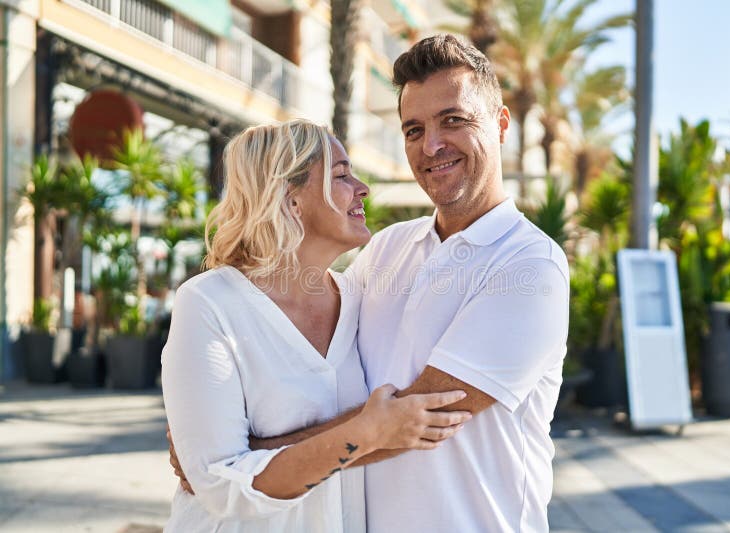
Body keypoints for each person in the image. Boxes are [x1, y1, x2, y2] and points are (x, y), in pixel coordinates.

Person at [171, 34, 569, 532]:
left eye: (454, 120)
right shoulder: (385, 250)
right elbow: (290, 333)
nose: (432, 146)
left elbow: (410, 419)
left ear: (501, 124)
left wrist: (240, 459)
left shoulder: (530, 266)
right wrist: (204, 425)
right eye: (413, 129)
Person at [160, 120, 472, 532]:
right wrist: (365, 433)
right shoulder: (209, 303)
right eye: (341, 175)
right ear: (291, 201)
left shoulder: (360, 300)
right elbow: (219, 485)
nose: (363, 188)